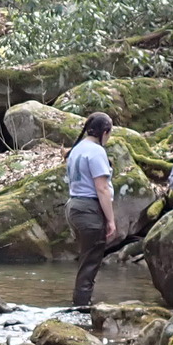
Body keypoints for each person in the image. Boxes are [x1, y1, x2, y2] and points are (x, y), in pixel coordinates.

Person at [65, 111, 118, 307]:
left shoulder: (77, 148)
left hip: (74, 207)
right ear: (104, 132)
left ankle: (80, 302)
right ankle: (81, 307)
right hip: (89, 209)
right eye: (109, 133)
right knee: (90, 262)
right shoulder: (96, 151)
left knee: (85, 259)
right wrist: (111, 220)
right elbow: (102, 188)